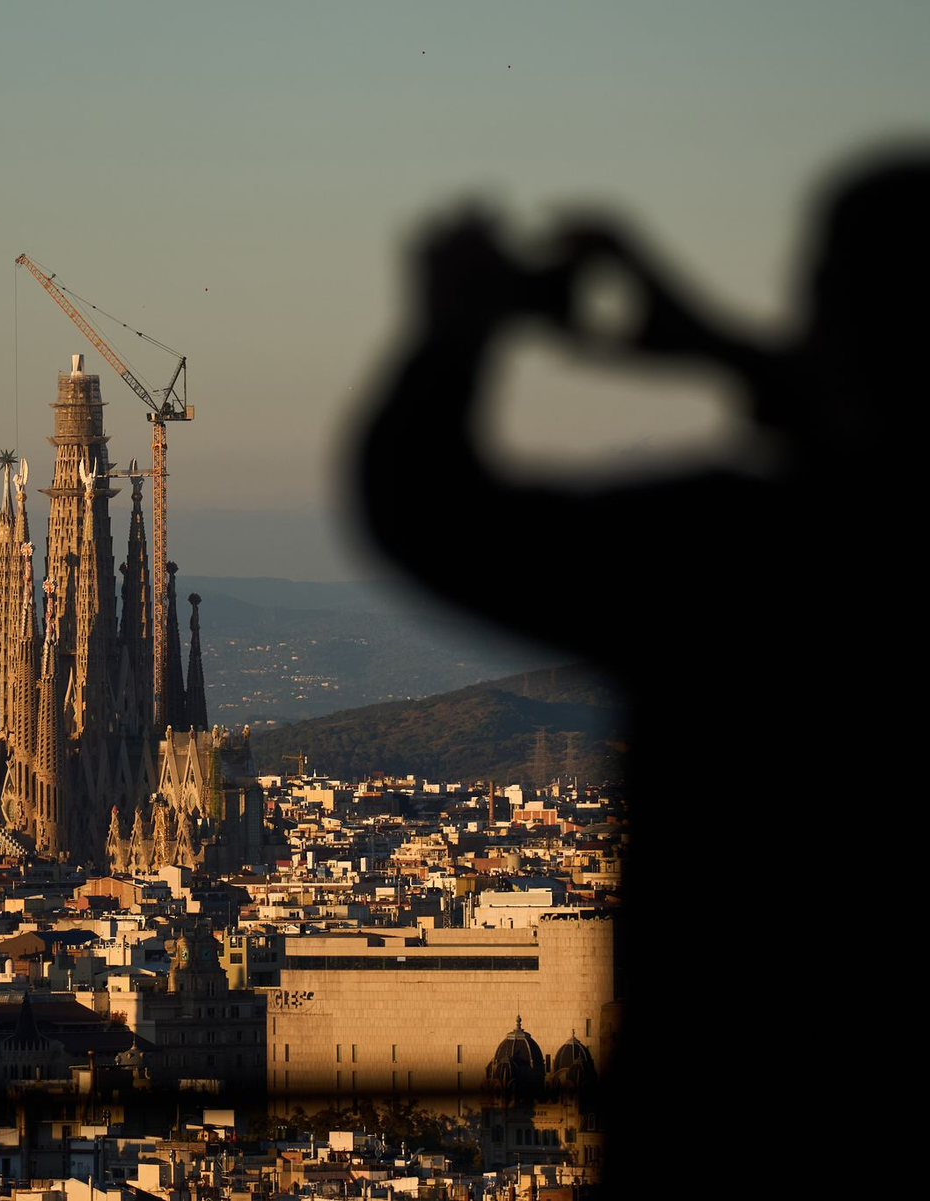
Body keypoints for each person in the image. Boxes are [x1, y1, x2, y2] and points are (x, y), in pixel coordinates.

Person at [356, 146, 928, 1195]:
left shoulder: (744, 563)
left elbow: (426, 508)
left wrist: (455, 336)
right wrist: (736, 352)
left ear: (829, 325)